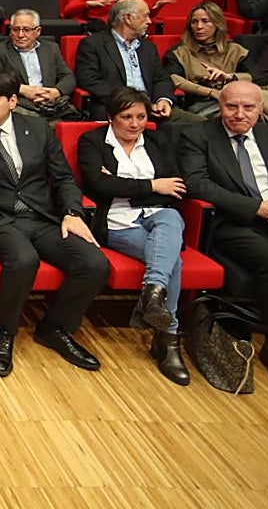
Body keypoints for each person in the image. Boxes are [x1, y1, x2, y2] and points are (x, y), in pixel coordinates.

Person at [0, 70, 109, 377]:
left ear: (12, 101)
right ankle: (6, 332)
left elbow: (62, 177)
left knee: (94, 263)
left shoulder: (37, 127)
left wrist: (73, 213)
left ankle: (54, 328)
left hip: (40, 216)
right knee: (24, 260)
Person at [180, 81, 268, 396]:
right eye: (231, 106)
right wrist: (257, 208)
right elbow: (198, 185)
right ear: (220, 106)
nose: (239, 114)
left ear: (260, 109)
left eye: (248, 107)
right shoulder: (198, 135)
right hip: (232, 224)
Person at [76, 88, 190, 384]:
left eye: (141, 116)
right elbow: (99, 185)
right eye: (126, 117)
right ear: (111, 117)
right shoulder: (92, 142)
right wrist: (152, 186)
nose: (135, 124)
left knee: (171, 217)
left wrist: (122, 184)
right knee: (171, 261)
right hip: (116, 223)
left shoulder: (158, 140)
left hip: (160, 217)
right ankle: (168, 338)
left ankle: (154, 295)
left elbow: (175, 185)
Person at [75, 0, 191, 122]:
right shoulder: (93, 44)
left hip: (153, 109)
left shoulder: (148, 47)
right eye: (145, 16)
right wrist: (133, 104)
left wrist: (163, 100)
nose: (149, 21)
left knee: (197, 126)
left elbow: (161, 78)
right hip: (117, 111)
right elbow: (90, 80)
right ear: (128, 18)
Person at [164, 2, 261, 119]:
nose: (199, 27)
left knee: (256, 106)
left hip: (236, 100)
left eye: (205, 21)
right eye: (194, 22)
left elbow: (256, 77)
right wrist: (210, 92)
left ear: (217, 24)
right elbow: (172, 78)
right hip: (201, 104)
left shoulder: (235, 50)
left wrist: (229, 77)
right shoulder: (179, 52)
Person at [0, 9, 80, 121]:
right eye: (16, 29)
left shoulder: (51, 49)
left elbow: (68, 77)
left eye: (26, 30)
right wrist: (20, 89)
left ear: (38, 31)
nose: (20, 35)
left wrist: (56, 91)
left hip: (51, 105)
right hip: (20, 105)